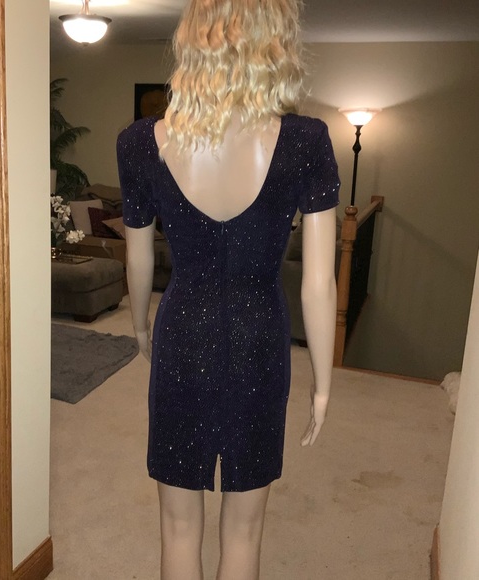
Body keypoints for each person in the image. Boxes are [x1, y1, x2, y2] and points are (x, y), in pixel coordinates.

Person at [116, 1, 339, 578]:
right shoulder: (307, 141)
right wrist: (322, 381)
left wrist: (139, 326)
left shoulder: (140, 142)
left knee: (176, 526)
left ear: (192, 38)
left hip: (181, 332)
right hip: (260, 340)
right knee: (245, 529)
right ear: (277, 40)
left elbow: (138, 257)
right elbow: (319, 282)